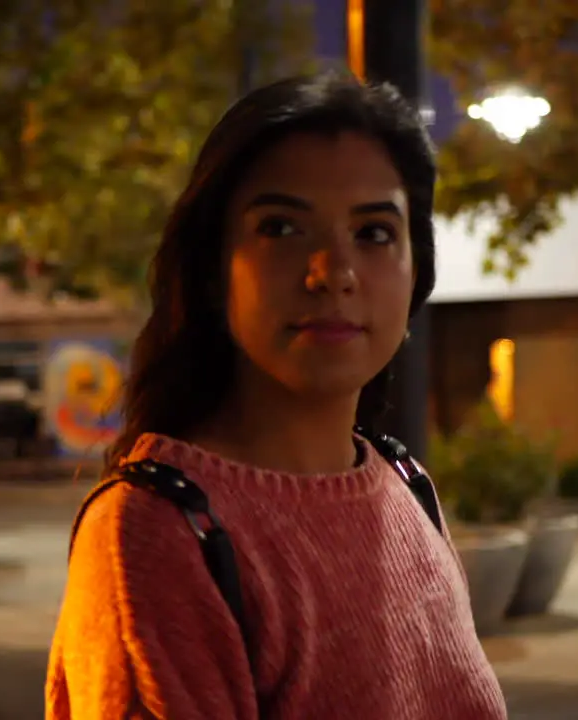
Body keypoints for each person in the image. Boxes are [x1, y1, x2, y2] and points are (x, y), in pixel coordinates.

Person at [46, 72, 507, 720]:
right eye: (282, 229)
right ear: (212, 272)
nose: (334, 272)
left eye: (374, 233)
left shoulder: (406, 484)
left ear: (415, 273)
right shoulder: (159, 534)